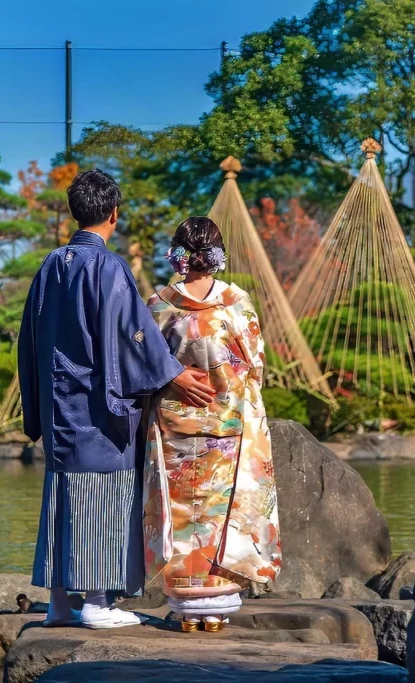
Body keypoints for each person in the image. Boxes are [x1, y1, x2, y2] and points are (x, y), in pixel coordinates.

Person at [18, 170, 217, 629]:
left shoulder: (51, 265)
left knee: (64, 495)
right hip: (97, 406)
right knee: (102, 496)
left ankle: (58, 605)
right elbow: (134, 335)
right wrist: (174, 374)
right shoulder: (107, 268)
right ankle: (95, 603)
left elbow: (29, 338)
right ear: (113, 213)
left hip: (60, 402)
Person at [142, 216, 282, 633]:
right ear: (216, 255)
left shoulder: (158, 305)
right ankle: (216, 609)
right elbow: (255, 365)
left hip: (175, 427)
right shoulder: (236, 303)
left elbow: (143, 365)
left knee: (182, 515)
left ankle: (186, 610)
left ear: (179, 253)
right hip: (228, 425)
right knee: (224, 516)